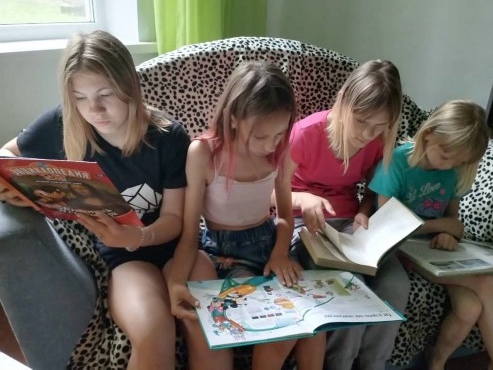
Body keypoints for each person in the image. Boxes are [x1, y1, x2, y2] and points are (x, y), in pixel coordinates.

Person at [0, 30, 231, 370]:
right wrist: (16, 187)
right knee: (153, 333)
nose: (93, 109)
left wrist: (137, 236)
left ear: (129, 86)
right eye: (80, 97)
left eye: (105, 94)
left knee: (212, 330)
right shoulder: (63, 124)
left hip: (176, 247)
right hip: (123, 259)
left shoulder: (168, 137)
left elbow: (175, 220)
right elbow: (7, 154)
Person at [167, 61, 325, 370]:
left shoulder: (279, 150)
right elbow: (189, 233)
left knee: (313, 327)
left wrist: (280, 253)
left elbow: (284, 217)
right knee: (278, 322)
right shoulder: (203, 153)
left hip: (269, 244)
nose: (270, 145)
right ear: (233, 118)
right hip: (222, 251)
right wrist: (175, 282)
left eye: (279, 134)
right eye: (261, 136)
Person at [287, 59, 408, 370]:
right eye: (361, 121)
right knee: (350, 287)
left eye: (379, 126)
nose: (367, 133)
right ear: (342, 101)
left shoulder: (378, 141)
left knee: (396, 285)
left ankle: (373, 364)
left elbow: (371, 189)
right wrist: (304, 198)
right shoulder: (307, 133)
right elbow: (268, 192)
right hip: (304, 224)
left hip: (349, 225)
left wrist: (365, 212)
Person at [369, 100, 493, 370]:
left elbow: (453, 221)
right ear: (428, 134)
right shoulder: (397, 162)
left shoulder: (451, 172)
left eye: (458, 161)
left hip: (432, 253)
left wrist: (449, 234)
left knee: (469, 308)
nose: (448, 165)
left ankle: (436, 363)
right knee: (486, 283)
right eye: (445, 155)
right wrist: (440, 226)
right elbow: (386, 221)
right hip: (398, 247)